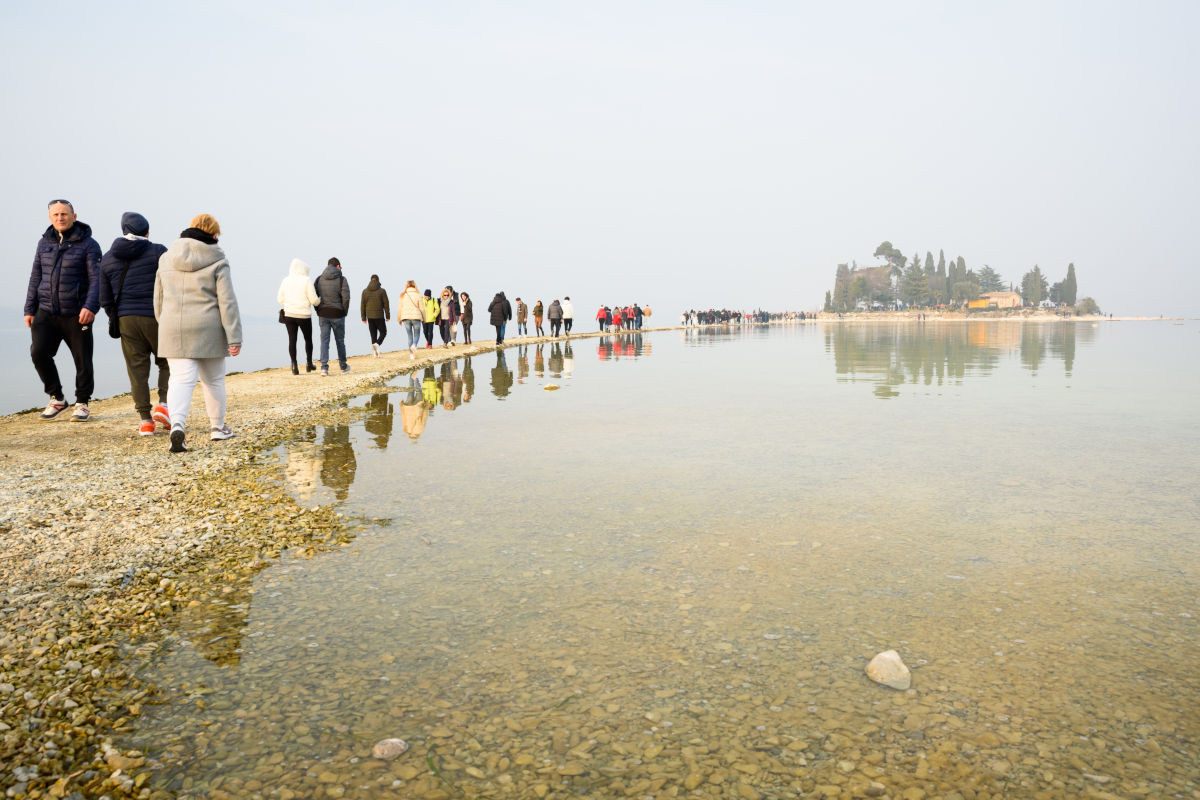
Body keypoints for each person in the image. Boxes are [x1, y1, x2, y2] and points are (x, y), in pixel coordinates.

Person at [154, 213, 242, 453]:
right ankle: (217, 428)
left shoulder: (165, 258)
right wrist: (234, 337)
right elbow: (227, 302)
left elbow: (158, 299)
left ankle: (177, 428)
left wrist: (166, 324)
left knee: (180, 380)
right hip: (208, 328)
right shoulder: (217, 260)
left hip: (173, 327)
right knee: (213, 380)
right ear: (213, 234)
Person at [25, 199, 102, 421]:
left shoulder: (89, 244)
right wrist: (29, 308)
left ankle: (83, 403)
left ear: (74, 216)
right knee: (38, 352)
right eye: (56, 214)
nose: (60, 218)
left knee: (82, 359)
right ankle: (57, 397)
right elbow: (35, 276)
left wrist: (90, 306)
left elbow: (97, 280)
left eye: (64, 214)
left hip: (77, 313)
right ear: (50, 217)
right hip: (46, 310)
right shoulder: (44, 243)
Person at [99, 211, 170, 434]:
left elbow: (104, 298)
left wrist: (116, 316)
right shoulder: (158, 251)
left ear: (124, 231)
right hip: (157, 316)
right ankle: (165, 405)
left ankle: (145, 421)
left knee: (137, 370)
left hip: (126, 319)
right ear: (147, 231)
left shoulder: (108, 257)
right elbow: (170, 285)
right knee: (168, 362)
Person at [277, 258, 320, 374]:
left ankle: (294, 366)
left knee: (292, 340)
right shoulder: (306, 280)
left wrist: (288, 305)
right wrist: (319, 301)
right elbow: (314, 300)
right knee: (308, 339)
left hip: (289, 315)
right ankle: (309, 364)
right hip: (304, 315)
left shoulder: (285, 280)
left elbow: (279, 298)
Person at [315, 257, 351, 375]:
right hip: (338, 314)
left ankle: (324, 368)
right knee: (340, 340)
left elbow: (315, 297)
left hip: (323, 314)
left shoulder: (319, 279)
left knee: (324, 341)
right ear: (337, 266)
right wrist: (344, 312)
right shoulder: (342, 279)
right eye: (340, 267)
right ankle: (343, 366)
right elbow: (346, 298)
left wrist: (318, 310)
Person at [361, 274, 390, 357]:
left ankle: (375, 353)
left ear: (371, 280)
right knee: (383, 332)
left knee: (373, 334)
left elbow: (362, 305)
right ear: (378, 280)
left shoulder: (365, 291)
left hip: (369, 316)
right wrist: (387, 316)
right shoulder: (382, 291)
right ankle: (377, 344)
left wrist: (363, 317)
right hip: (379, 316)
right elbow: (386, 304)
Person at [398, 280, 423, 358]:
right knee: (417, 334)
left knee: (409, 336)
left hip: (405, 318)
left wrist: (399, 318)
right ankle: (414, 345)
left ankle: (411, 355)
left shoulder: (402, 295)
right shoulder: (418, 294)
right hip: (416, 317)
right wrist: (424, 318)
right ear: (415, 286)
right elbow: (422, 308)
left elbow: (400, 308)